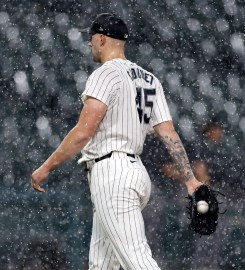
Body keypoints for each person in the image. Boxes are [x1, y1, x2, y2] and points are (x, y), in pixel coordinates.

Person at [31, 13, 202, 270]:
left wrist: (46, 166)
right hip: (134, 173)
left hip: (113, 175)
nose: (89, 44)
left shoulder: (105, 74)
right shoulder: (149, 79)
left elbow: (83, 132)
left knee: (139, 262)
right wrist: (190, 180)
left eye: (91, 39)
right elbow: (169, 134)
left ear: (101, 38)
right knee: (101, 265)